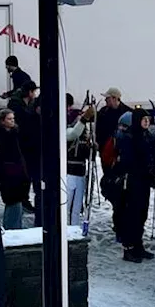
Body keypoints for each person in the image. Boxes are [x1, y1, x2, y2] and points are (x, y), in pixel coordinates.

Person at [115, 108, 155, 263]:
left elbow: (152, 153)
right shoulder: (129, 138)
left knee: (142, 214)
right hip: (133, 180)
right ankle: (128, 248)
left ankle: (138, 245)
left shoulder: (148, 136)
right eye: (143, 119)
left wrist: (154, 164)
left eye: (148, 119)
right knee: (132, 215)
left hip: (145, 180)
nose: (147, 122)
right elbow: (128, 160)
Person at [0, 109, 29, 228]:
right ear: (2, 121)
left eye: (13, 118)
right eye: (9, 119)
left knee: (18, 201)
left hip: (18, 170)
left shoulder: (16, 132)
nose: (12, 121)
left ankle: (16, 226)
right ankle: (11, 227)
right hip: (6, 172)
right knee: (12, 200)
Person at [9, 82, 41, 213]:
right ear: (29, 92)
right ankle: (23, 199)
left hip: (27, 145)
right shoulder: (19, 106)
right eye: (34, 92)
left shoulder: (25, 105)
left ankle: (24, 199)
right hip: (23, 145)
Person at [66, 95, 95, 226]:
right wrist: (83, 119)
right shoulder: (67, 131)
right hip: (69, 173)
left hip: (81, 172)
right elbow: (73, 133)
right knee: (66, 206)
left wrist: (92, 148)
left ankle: (75, 229)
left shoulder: (85, 134)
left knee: (77, 208)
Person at [95, 87, 131, 179]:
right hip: (106, 153)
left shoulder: (128, 112)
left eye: (108, 98)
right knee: (108, 178)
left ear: (115, 98)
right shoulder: (103, 112)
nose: (105, 100)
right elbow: (98, 130)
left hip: (122, 154)